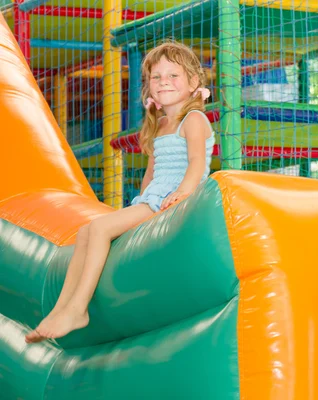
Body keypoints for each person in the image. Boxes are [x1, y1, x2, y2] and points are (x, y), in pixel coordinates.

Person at [25, 41, 215, 343]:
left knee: (99, 227)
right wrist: (138, 205)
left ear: (193, 82)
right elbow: (151, 175)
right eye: (156, 77)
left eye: (173, 76)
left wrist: (181, 194)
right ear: (149, 86)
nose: (163, 81)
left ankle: (78, 308)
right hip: (154, 199)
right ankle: (61, 307)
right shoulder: (162, 123)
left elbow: (196, 165)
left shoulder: (194, 120)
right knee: (87, 230)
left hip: (175, 200)